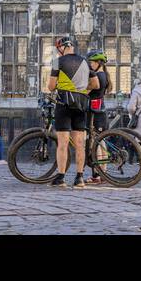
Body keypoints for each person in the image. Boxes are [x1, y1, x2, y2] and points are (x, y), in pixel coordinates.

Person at [46, 36, 100, 188]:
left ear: (61, 48)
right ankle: (80, 178)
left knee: (62, 143)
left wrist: (64, 87)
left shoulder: (58, 62)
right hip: (81, 104)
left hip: (64, 104)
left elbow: (51, 86)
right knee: (80, 144)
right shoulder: (85, 61)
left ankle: (61, 177)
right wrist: (82, 90)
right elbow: (96, 84)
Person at [83, 52, 109, 184]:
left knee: (96, 143)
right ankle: (103, 172)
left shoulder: (98, 76)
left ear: (98, 63)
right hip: (100, 111)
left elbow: (88, 90)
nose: (90, 65)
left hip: (95, 113)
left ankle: (98, 174)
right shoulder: (104, 75)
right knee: (101, 141)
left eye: (92, 63)